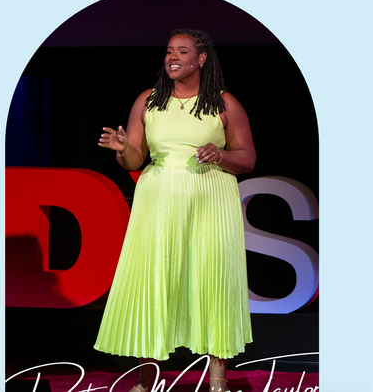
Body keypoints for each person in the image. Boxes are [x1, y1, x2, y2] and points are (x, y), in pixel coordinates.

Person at [93, 29, 255, 392]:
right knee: (154, 280)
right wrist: (122, 148)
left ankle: (217, 381)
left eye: (182, 51)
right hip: (159, 197)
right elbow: (136, 157)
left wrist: (222, 154)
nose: (172, 57)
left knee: (213, 280)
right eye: (169, 51)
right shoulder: (148, 101)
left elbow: (247, 158)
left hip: (209, 198)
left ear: (201, 59)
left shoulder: (224, 103)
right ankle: (147, 379)